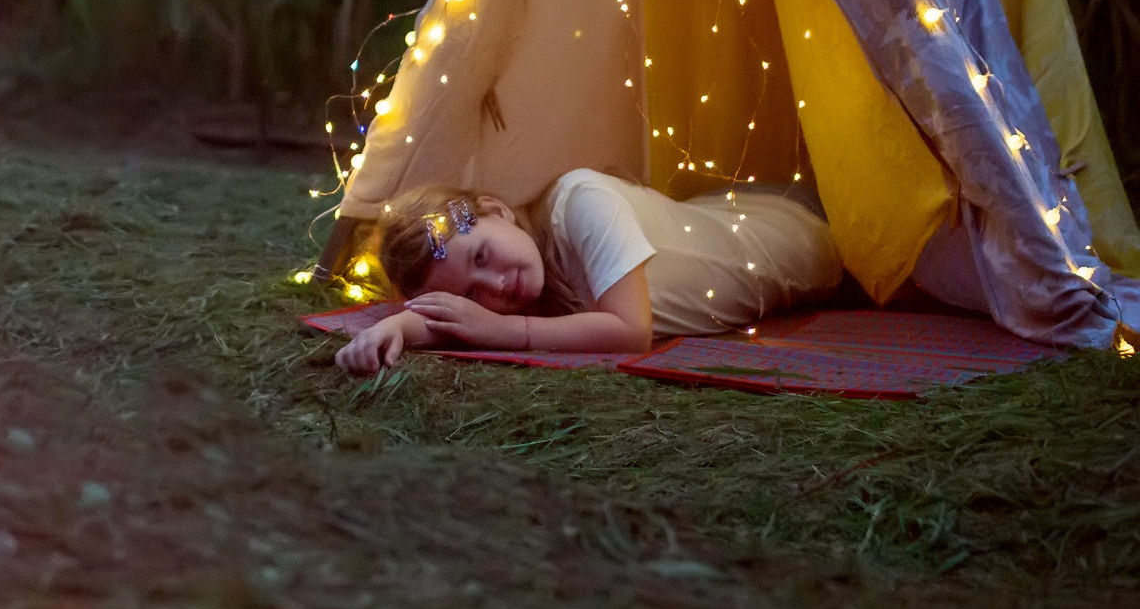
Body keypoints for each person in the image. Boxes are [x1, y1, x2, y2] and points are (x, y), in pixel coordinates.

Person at [334, 170, 843, 377]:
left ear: (496, 209)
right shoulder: (525, 280)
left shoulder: (581, 201)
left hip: (806, 232)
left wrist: (507, 331)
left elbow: (631, 331)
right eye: (474, 294)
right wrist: (397, 326)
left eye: (482, 258)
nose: (496, 287)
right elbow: (458, 319)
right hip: (727, 220)